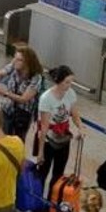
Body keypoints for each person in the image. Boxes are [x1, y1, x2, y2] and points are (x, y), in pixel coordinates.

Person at [37, 65, 86, 194]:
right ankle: (38, 204)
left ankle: (52, 203)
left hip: (64, 137)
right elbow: (44, 126)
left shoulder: (70, 93)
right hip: (49, 139)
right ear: (58, 81)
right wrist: (40, 151)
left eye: (71, 82)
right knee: (43, 172)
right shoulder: (46, 98)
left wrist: (80, 127)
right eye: (67, 82)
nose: (69, 85)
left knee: (58, 173)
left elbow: (75, 114)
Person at [0, 45, 44, 141]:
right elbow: (0, 74)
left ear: (27, 62)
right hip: (7, 109)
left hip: (22, 114)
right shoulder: (13, 66)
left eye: (19, 60)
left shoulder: (36, 78)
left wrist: (5, 93)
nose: (15, 61)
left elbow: (24, 99)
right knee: (2, 137)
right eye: (15, 58)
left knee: (18, 140)